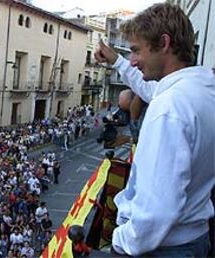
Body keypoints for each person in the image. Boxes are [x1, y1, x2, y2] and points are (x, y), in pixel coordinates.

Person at [95, 2, 215, 256]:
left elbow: (157, 210)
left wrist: (121, 241)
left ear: (164, 43)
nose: (134, 61)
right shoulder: (201, 90)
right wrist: (116, 61)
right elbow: (150, 89)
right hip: (194, 239)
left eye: (136, 51)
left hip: (163, 247)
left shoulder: (169, 109)